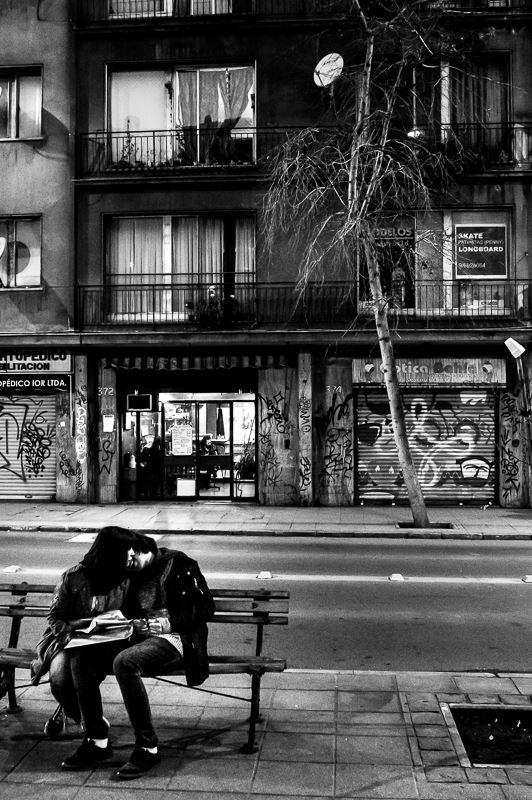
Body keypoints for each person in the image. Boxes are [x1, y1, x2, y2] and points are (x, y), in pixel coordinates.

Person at [59, 527, 215, 781]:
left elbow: (206, 607)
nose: (127, 567)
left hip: (175, 639)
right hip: (137, 637)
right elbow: (130, 610)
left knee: (125, 662)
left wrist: (169, 623)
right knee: (82, 657)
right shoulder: (131, 572)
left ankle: (147, 747)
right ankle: (97, 739)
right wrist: (126, 621)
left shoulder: (179, 564)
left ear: (136, 550)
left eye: (129, 561)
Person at [31, 526, 132, 738]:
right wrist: (68, 637)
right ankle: (82, 716)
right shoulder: (73, 577)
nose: (128, 556)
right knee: (59, 678)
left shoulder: (124, 578)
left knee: (87, 671)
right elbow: (55, 617)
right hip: (68, 640)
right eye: (124, 551)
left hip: (105, 642)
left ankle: (90, 721)